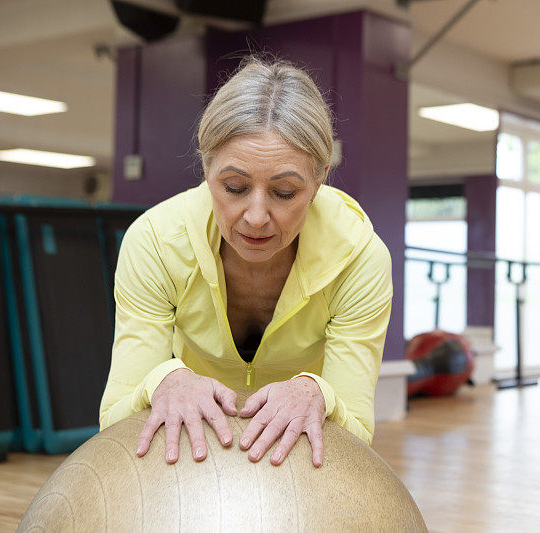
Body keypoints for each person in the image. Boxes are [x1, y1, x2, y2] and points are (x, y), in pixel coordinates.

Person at [98, 56, 393, 469]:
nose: (256, 216)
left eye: (285, 192)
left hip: (297, 460)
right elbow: (113, 419)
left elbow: (357, 432)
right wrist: (164, 379)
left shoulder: (359, 259)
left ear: (320, 178)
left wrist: (316, 392)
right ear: (206, 167)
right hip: (189, 453)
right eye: (234, 187)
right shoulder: (156, 242)